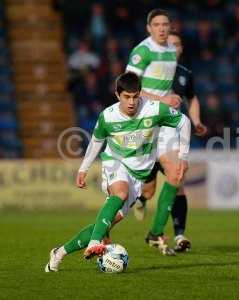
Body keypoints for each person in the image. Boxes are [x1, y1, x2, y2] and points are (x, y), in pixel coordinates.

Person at [44, 72, 191, 272]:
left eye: (135, 97)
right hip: (115, 162)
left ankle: (59, 252)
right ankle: (95, 242)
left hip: (138, 175)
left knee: (106, 224)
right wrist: (83, 168)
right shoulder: (108, 116)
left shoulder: (154, 109)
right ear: (117, 95)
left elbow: (184, 123)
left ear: (140, 94)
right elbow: (96, 142)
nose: (131, 102)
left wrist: (182, 156)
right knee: (120, 193)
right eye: (126, 97)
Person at [133, 31, 208, 252]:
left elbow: (192, 98)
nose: (173, 48)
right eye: (169, 44)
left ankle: (179, 236)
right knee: (148, 190)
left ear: (181, 48)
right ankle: (142, 200)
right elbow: (135, 92)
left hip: (170, 136)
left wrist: (196, 121)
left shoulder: (185, 74)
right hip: (147, 136)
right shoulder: (151, 70)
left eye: (176, 45)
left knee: (178, 181)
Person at [125, 9, 189, 254]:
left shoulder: (171, 50)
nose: (162, 28)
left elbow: (165, 82)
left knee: (176, 174)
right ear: (148, 28)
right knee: (147, 189)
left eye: (165, 24)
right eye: (157, 24)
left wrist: (169, 99)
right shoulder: (142, 51)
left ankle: (155, 232)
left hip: (165, 125)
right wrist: (162, 99)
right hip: (144, 125)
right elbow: (130, 88)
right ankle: (102, 232)